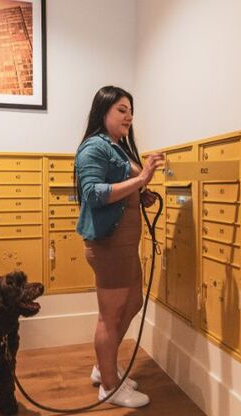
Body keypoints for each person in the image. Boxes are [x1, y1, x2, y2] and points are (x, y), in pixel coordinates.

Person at [74, 85, 164, 408]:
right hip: (108, 246)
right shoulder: (92, 149)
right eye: (121, 110)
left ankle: (105, 363)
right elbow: (94, 194)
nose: (128, 116)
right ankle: (109, 386)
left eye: (130, 110)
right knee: (109, 317)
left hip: (125, 246)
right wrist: (141, 181)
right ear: (103, 112)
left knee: (134, 301)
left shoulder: (117, 147)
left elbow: (119, 190)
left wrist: (140, 195)